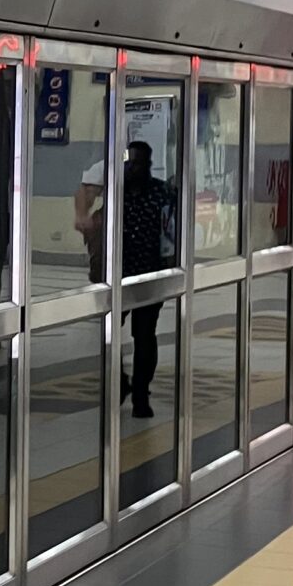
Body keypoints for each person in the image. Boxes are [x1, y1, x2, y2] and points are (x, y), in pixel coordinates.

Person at [119, 138, 176, 417]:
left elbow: (171, 234)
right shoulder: (118, 192)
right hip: (117, 276)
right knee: (108, 333)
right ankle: (118, 381)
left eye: (138, 163)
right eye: (128, 162)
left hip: (149, 276)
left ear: (149, 164)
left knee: (144, 336)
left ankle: (141, 394)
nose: (132, 168)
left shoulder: (161, 193)